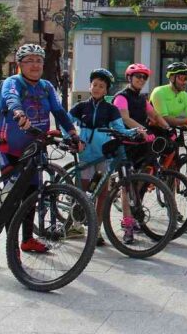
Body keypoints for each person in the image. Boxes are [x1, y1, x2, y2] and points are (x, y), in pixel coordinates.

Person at [0, 44, 80, 253]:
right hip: (10, 150)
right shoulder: (13, 82)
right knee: (12, 199)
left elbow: (59, 111)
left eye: (38, 60)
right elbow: (11, 98)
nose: (35, 65)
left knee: (32, 196)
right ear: (20, 64)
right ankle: (11, 245)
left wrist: (73, 133)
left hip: (35, 149)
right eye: (29, 60)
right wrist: (18, 112)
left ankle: (27, 240)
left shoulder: (46, 86)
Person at [68, 68, 138, 246]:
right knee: (82, 191)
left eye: (102, 86)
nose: (97, 88)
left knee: (100, 193)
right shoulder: (81, 106)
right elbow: (66, 122)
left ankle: (96, 229)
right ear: (90, 87)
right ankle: (76, 224)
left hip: (102, 155)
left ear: (107, 90)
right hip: (85, 155)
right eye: (95, 85)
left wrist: (135, 132)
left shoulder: (111, 109)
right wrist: (72, 137)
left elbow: (120, 129)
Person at [112, 63, 169, 242]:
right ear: (129, 78)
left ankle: (135, 212)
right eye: (138, 76)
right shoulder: (122, 97)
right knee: (127, 186)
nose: (141, 80)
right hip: (125, 143)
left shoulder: (141, 98)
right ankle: (127, 225)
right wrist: (142, 129)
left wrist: (166, 127)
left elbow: (154, 114)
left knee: (141, 180)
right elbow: (125, 117)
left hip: (140, 144)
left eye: (144, 77)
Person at [149, 62, 187, 127]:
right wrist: (186, 121)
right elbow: (163, 119)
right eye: (182, 78)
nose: (185, 82)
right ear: (172, 78)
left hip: (170, 130)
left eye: (186, 78)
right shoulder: (159, 92)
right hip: (153, 130)